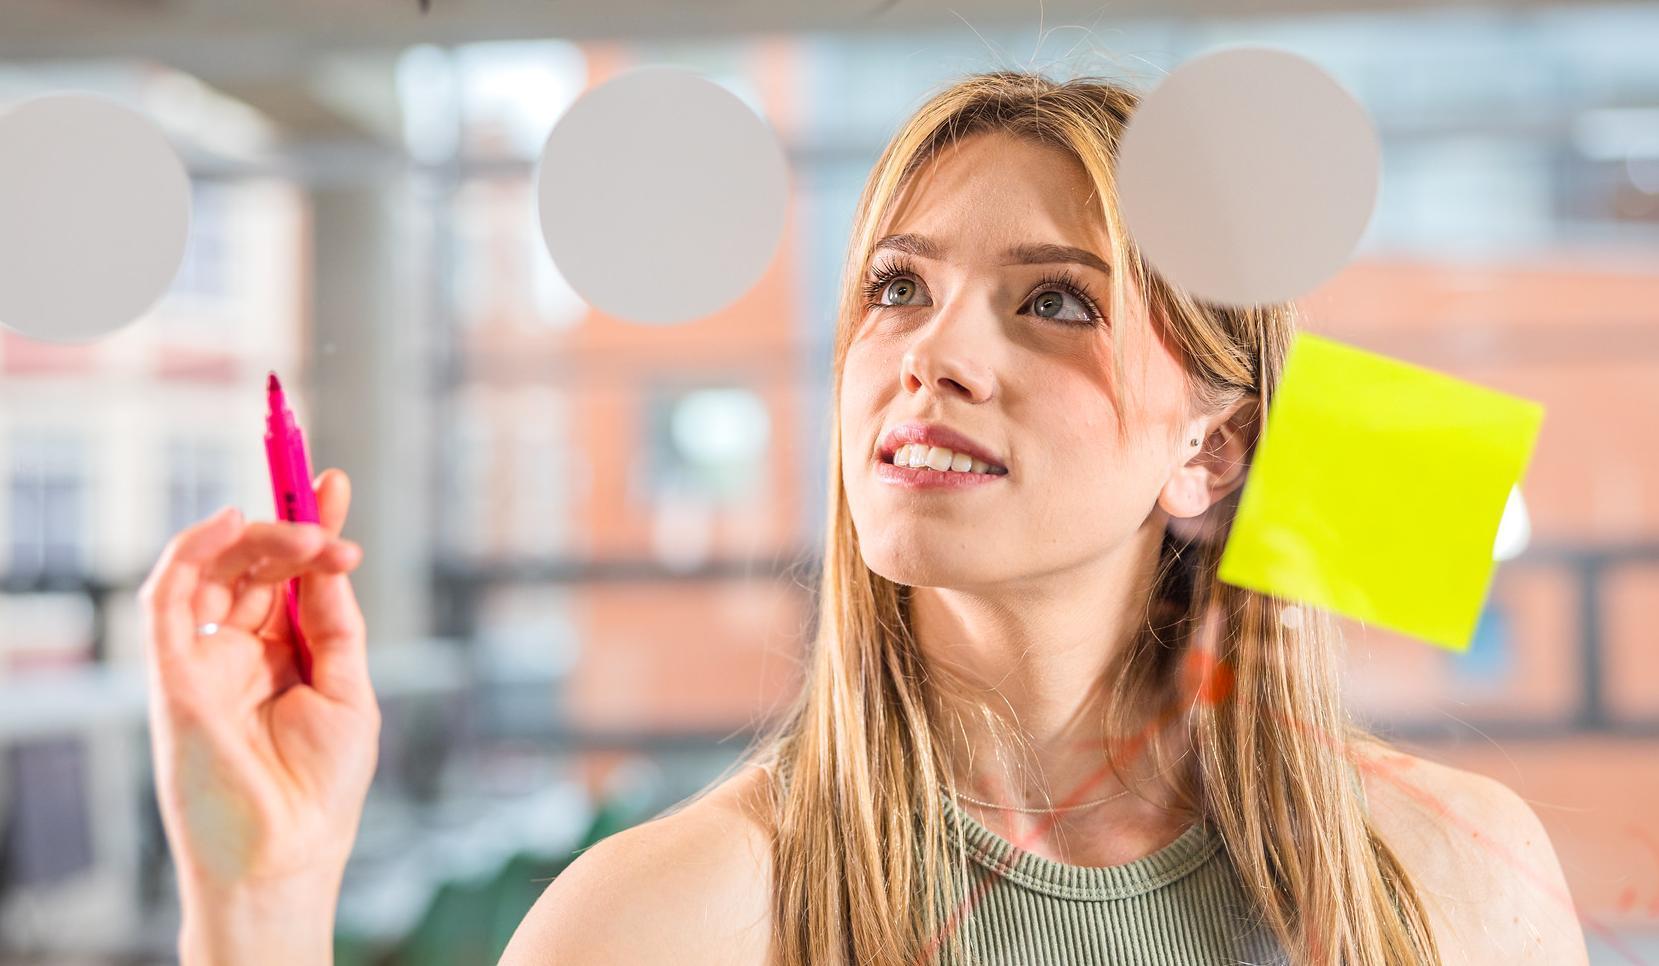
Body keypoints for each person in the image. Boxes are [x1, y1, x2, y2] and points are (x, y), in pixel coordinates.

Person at [139, 69, 1589, 965]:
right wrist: (260, 907)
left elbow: (1486, 513)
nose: (930, 354)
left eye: (1055, 300)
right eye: (898, 286)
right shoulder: (660, 922)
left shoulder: (1457, 882)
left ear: (1215, 449)